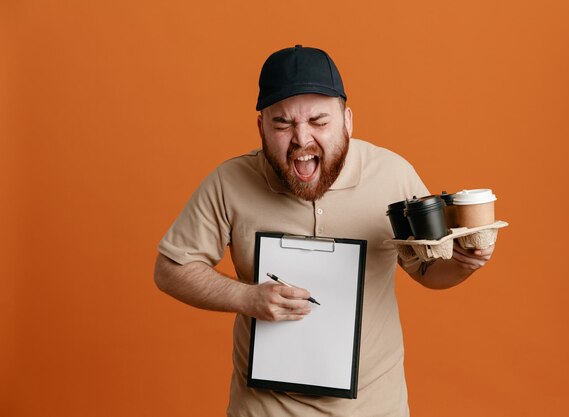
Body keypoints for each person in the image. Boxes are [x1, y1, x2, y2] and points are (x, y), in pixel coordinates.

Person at [154, 44, 495, 417]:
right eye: (282, 123)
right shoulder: (229, 181)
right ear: (261, 128)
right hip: (263, 409)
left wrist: (464, 263)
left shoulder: (392, 174)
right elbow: (170, 269)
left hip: (373, 407)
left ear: (348, 121)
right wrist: (246, 298)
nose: (301, 139)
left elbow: (428, 269)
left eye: (319, 122)